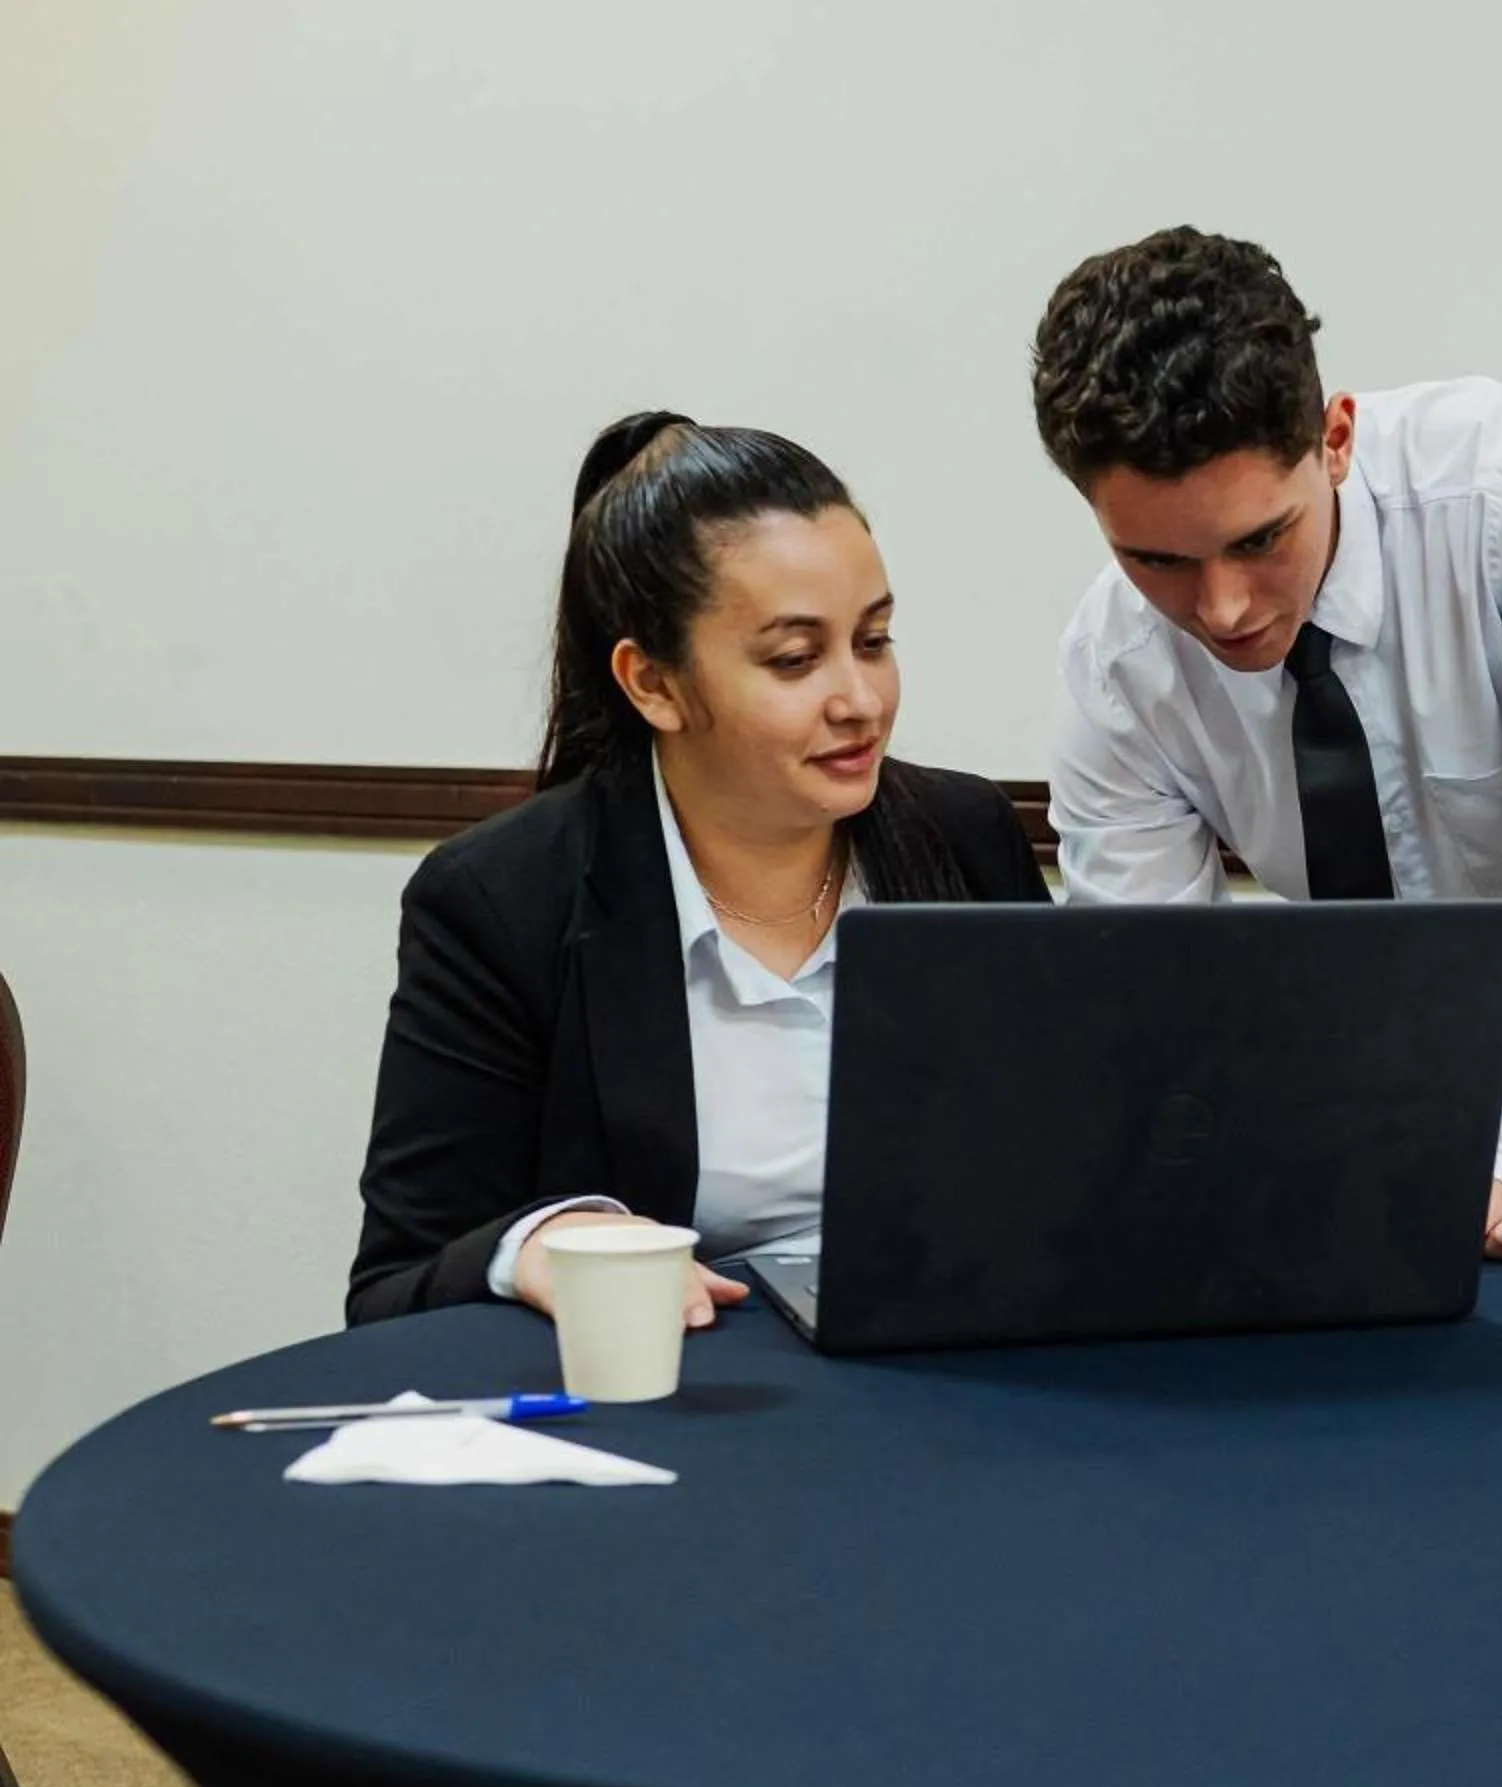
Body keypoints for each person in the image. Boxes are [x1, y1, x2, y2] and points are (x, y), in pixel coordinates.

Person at [1031, 227, 1502, 1258]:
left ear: (1336, 438)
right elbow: (1155, 986)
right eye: (1156, 558)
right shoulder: (1117, 665)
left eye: (1259, 540)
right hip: (1377, 1032)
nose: (1224, 609)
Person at [349, 412, 1049, 1328]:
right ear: (654, 684)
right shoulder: (502, 900)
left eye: (873, 641)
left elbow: (1068, 1163)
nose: (861, 700)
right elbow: (394, 1289)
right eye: (796, 660)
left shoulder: (964, 836)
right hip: (688, 1397)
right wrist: (543, 1242)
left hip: (963, 1371)